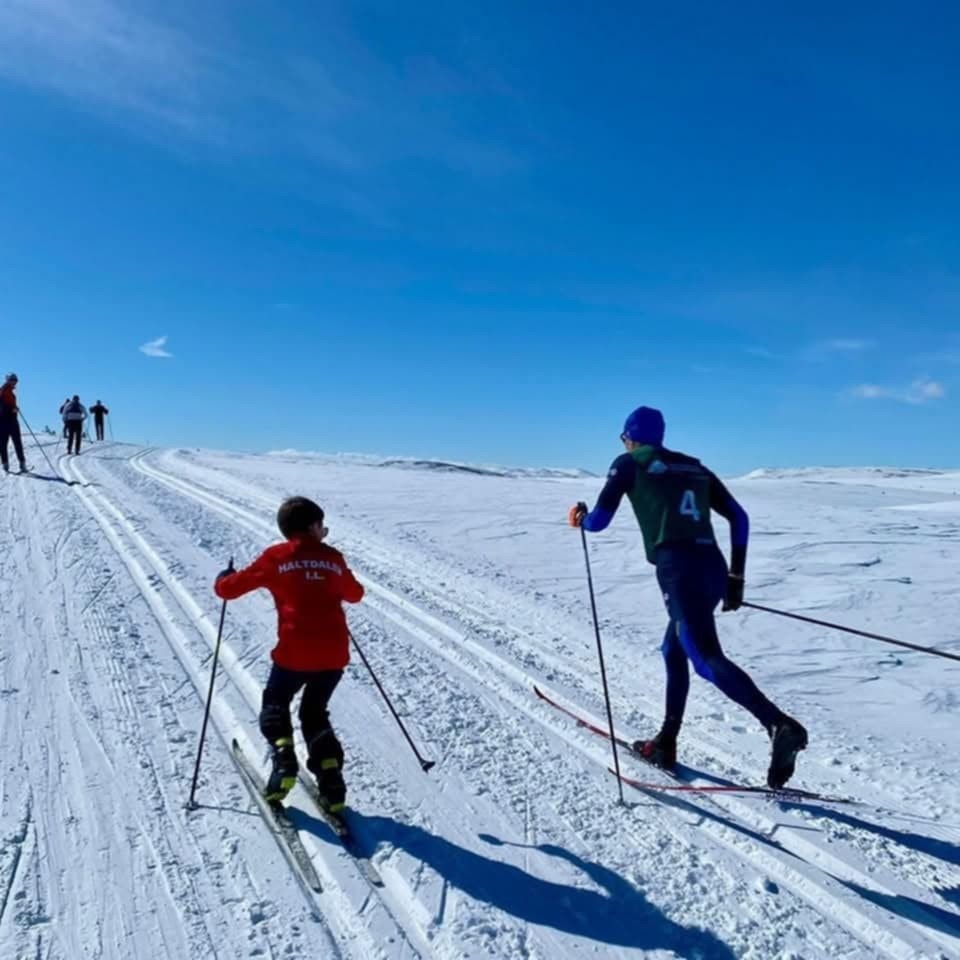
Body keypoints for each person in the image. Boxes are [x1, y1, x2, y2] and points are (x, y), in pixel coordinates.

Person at [568, 405, 807, 789]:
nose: (624, 443)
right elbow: (739, 517)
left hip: (678, 570)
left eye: (624, 438)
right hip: (713, 567)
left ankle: (779, 725)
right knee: (674, 648)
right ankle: (666, 742)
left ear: (630, 437)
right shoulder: (693, 466)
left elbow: (599, 521)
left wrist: (582, 518)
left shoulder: (628, 464)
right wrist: (736, 577)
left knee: (704, 658)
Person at [214, 497, 364, 812]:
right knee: (314, 712)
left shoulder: (276, 557)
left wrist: (223, 578)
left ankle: (284, 758)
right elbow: (355, 594)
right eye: (322, 526)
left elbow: (228, 590)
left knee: (276, 700)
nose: (325, 531)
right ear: (313, 527)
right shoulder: (333, 557)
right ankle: (330, 777)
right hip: (333, 654)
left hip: (294, 653)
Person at [0, 373, 27, 473]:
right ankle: (20, 464)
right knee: (14, 442)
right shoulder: (4, 391)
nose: (14, 382)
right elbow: (3, 406)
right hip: (7, 421)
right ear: (8, 380)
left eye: (15, 380)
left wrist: (14, 408)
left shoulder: (9, 392)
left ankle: (7, 464)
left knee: (5, 443)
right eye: (12, 380)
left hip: (8, 420)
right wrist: (12, 409)